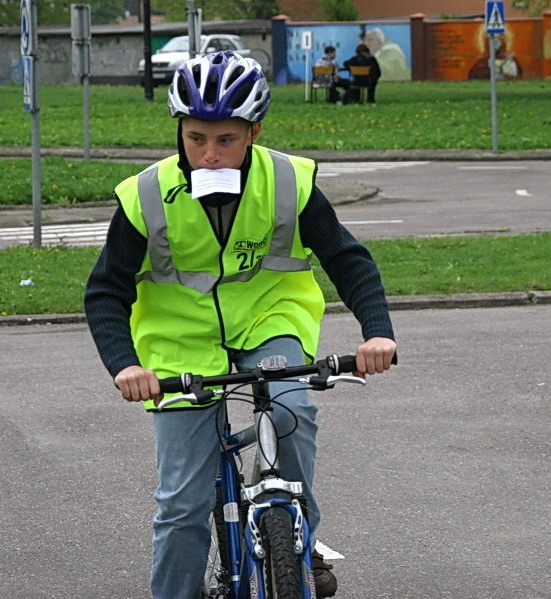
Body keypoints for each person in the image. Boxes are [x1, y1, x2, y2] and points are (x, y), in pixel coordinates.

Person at [83, 51, 397, 599]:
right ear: (179, 129)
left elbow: (348, 259)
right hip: (178, 344)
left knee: (292, 410)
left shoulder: (286, 179)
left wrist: (377, 331)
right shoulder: (147, 194)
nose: (208, 155)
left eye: (225, 139)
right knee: (182, 504)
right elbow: (105, 290)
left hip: (269, 320)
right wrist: (126, 365)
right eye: (195, 137)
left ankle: (296, 532)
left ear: (254, 131)